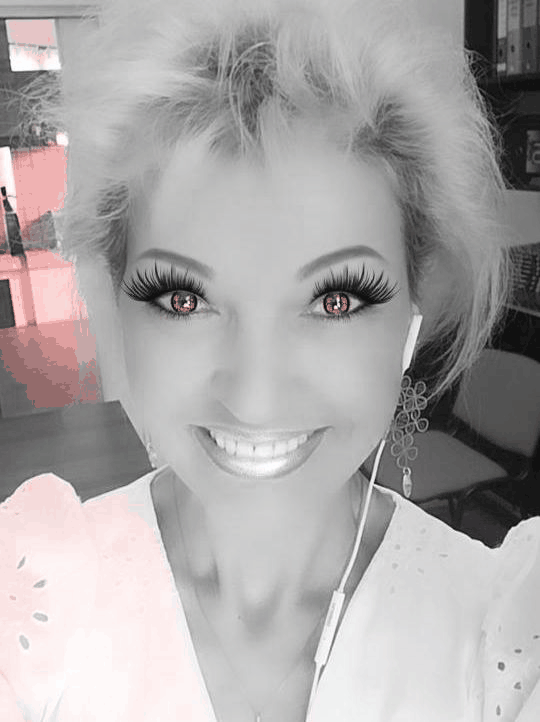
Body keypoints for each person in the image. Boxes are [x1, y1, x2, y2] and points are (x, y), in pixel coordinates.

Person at [2, 0, 539, 720]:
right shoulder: (31, 605)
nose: (255, 400)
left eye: (336, 300)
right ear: (117, 303)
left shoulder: (501, 639)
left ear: (414, 315)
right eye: (184, 299)